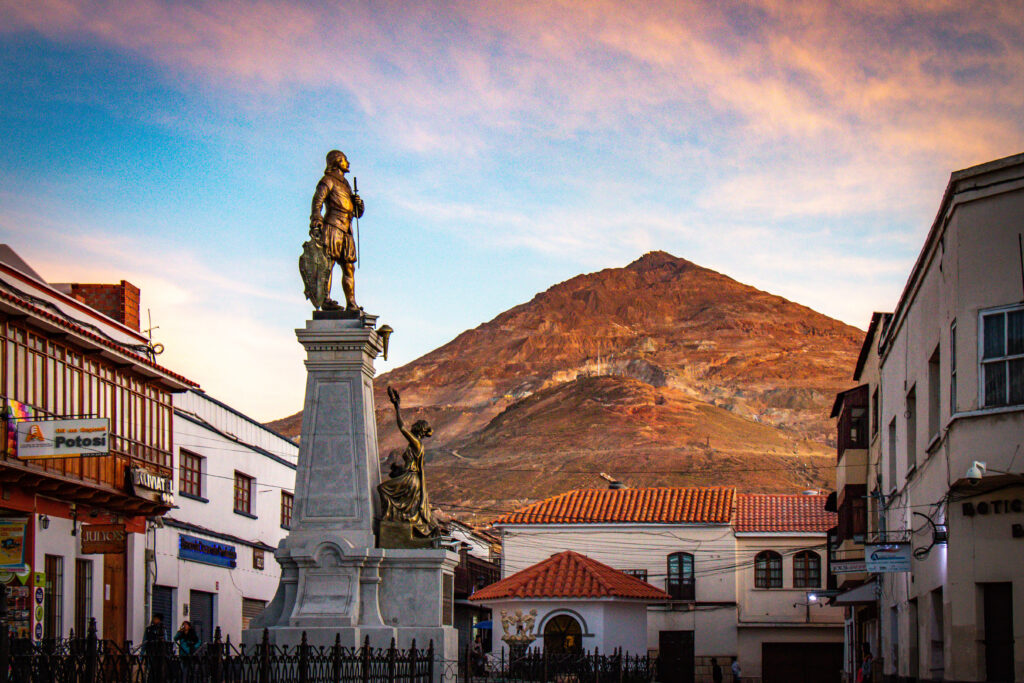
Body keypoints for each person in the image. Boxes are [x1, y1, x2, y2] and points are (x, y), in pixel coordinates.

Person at [376, 386, 438, 537]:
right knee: (387, 491)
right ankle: (392, 520)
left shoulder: (416, 443)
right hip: (410, 478)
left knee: (383, 489)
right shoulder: (416, 444)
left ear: (419, 429)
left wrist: (397, 407)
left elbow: (402, 427)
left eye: (416, 425)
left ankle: (390, 520)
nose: (413, 425)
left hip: (410, 479)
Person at [309, 149, 365, 312]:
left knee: (349, 267)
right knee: (329, 263)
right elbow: (317, 201)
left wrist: (358, 204)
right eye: (344, 160)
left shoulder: (346, 185)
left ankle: (351, 303)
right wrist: (316, 219)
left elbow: (356, 214)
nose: (348, 163)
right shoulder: (328, 180)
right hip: (332, 225)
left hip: (346, 229)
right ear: (336, 161)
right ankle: (325, 299)